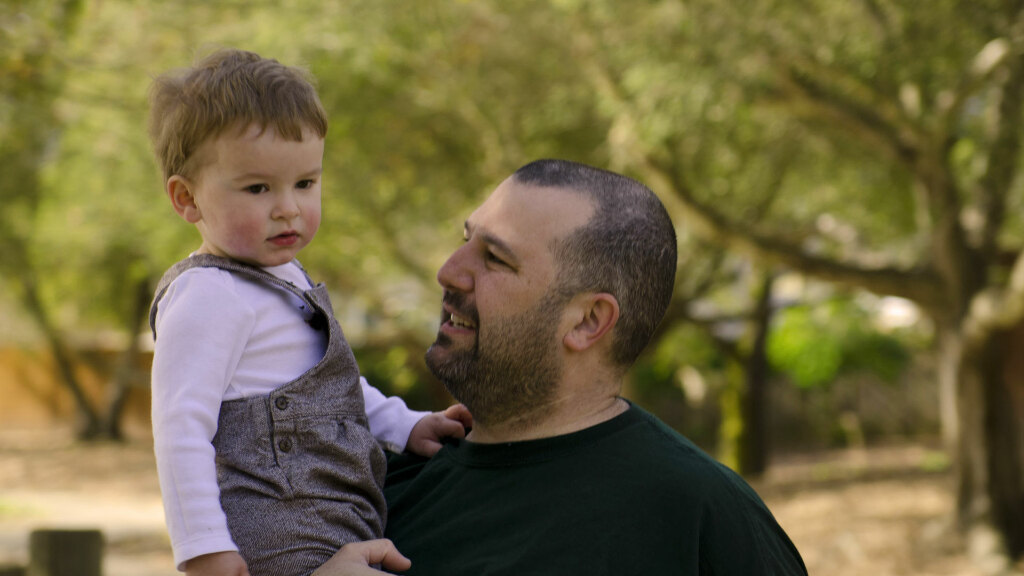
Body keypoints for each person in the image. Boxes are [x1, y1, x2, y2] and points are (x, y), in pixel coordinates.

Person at [317, 159, 807, 575]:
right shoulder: (369, 484)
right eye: (467, 239)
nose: (449, 270)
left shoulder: (697, 517)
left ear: (589, 321)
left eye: (495, 258)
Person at [146, 49, 470, 576]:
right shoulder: (207, 297)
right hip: (277, 532)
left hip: (339, 519)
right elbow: (180, 428)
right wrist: (203, 546)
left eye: (305, 183)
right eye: (258, 188)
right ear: (188, 200)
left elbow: (334, 387)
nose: (288, 208)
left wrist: (406, 424)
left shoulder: (286, 277)